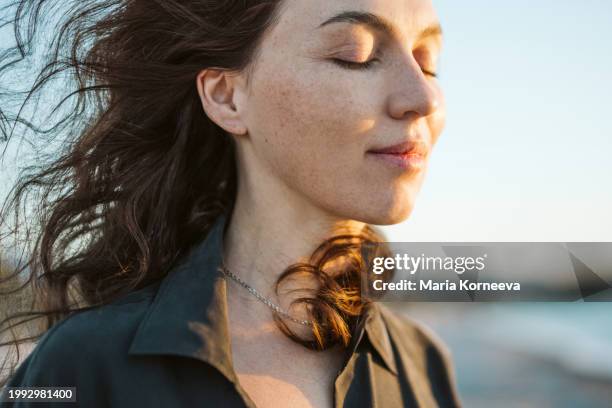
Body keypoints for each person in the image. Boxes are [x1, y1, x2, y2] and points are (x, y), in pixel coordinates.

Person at [0, 0, 462, 406]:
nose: (422, 96)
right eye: (355, 56)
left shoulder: (423, 367)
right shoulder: (82, 368)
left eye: (427, 61)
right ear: (226, 96)